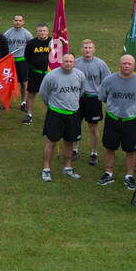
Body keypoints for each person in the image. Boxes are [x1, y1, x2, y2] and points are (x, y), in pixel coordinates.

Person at [96, 54, 136, 189]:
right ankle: (108, 173)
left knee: (131, 150)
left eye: (129, 64)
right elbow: (102, 97)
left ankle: (129, 176)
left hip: (132, 121)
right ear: (119, 64)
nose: (126, 66)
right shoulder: (109, 80)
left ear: (134, 65)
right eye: (124, 63)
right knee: (110, 146)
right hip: (113, 119)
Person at [38, 52, 86, 181]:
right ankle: (46, 169)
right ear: (61, 61)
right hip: (56, 114)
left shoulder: (80, 75)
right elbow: (43, 93)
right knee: (52, 141)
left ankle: (68, 167)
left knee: (69, 141)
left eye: (71, 61)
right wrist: (52, 105)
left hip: (73, 115)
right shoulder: (52, 76)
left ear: (74, 63)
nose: (68, 63)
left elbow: (81, 91)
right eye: (66, 61)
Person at [72, 39, 111, 166]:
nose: (87, 50)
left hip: (94, 98)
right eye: (85, 47)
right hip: (78, 98)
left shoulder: (101, 64)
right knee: (75, 124)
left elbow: (107, 82)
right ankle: (74, 149)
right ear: (81, 49)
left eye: (89, 48)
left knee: (93, 127)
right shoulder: (76, 63)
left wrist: (103, 96)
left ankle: (94, 153)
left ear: (94, 49)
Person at [22, 24, 52, 125]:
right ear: (36, 32)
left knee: (51, 96)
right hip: (35, 73)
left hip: (49, 74)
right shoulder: (31, 43)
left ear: (48, 32)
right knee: (31, 93)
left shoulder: (53, 42)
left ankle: (51, 116)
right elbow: (27, 57)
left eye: (44, 31)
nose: (42, 33)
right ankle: (29, 114)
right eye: (40, 31)